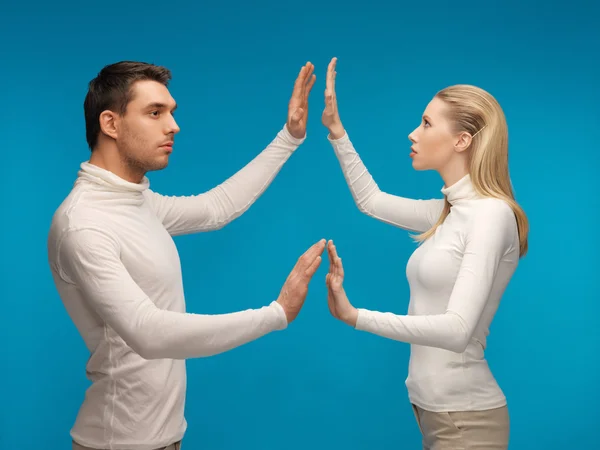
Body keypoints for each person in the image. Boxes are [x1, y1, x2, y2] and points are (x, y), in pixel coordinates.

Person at [47, 60, 325, 450]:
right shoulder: (85, 223)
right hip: (119, 443)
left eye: (171, 113)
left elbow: (216, 208)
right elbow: (149, 333)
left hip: (165, 438)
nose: (173, 126)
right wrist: (274, 315)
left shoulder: (134, 202)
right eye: (155, 112)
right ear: (110, 124)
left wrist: (289, 138)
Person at [321, 57, 529, 450]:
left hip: (466, 422)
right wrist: (336, 130)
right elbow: (371, 201)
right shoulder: (449, 212)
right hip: (435, 412)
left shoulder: (490, 215)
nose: (413, 134)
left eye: (427, 124)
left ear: (462, 140)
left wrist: (355, 317)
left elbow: (456, 330)